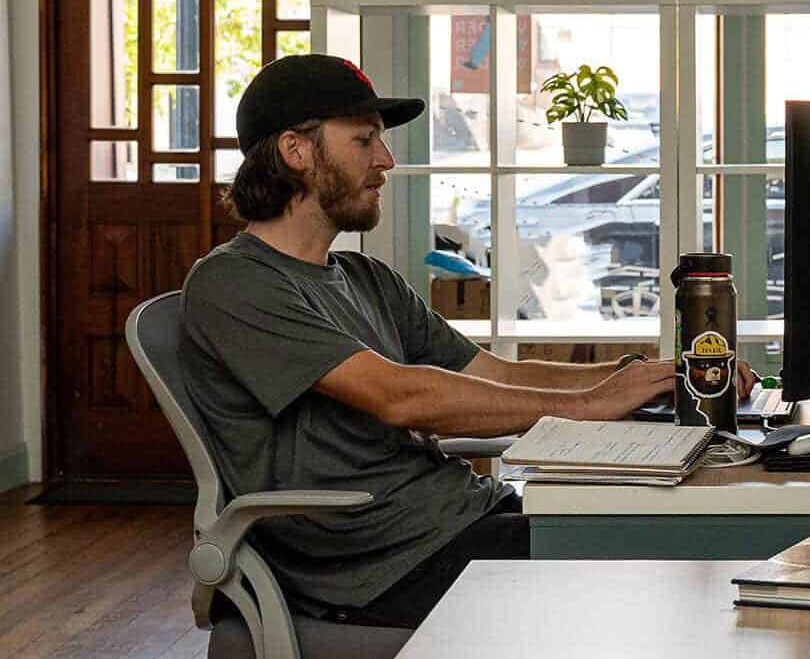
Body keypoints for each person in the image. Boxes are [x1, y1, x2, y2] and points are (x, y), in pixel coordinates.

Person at [178, 54, 754, 628]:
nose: (386, 161)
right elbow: (400, 397)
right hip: (382, 562)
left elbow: (492, 373)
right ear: (295, 151)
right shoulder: (234, 283)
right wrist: (585, 408)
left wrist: (630, 380)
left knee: (694, 542)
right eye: (364, 141)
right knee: (677, 580)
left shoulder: (364, 278)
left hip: (460, 518)